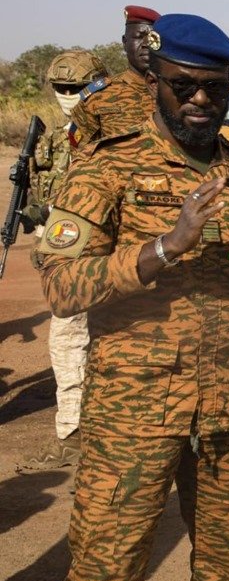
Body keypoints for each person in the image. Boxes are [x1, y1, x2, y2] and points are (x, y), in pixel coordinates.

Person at [36, 13, 229, 581]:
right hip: (134, 411)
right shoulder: (108, 171)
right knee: (107, 576)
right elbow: (61, 286)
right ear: (156, 80)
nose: (203, 101)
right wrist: (162, 248)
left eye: (217, 87)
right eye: (186, 86)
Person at [16, 51, 108, 473]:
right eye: (61, 89)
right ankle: (72, 435)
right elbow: (45, 197)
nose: (68, 97)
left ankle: (109, 447)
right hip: (65, 261)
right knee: (67, 343)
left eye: (75, 88)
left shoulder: (114, 136)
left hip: (108, 263)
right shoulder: (54, 139)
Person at [68, 5, 160, 146]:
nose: (146, 44)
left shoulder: (177, 92)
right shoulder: (98, 96)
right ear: (124, 42)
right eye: (139, 37)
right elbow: (79, 154)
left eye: (152, 38)